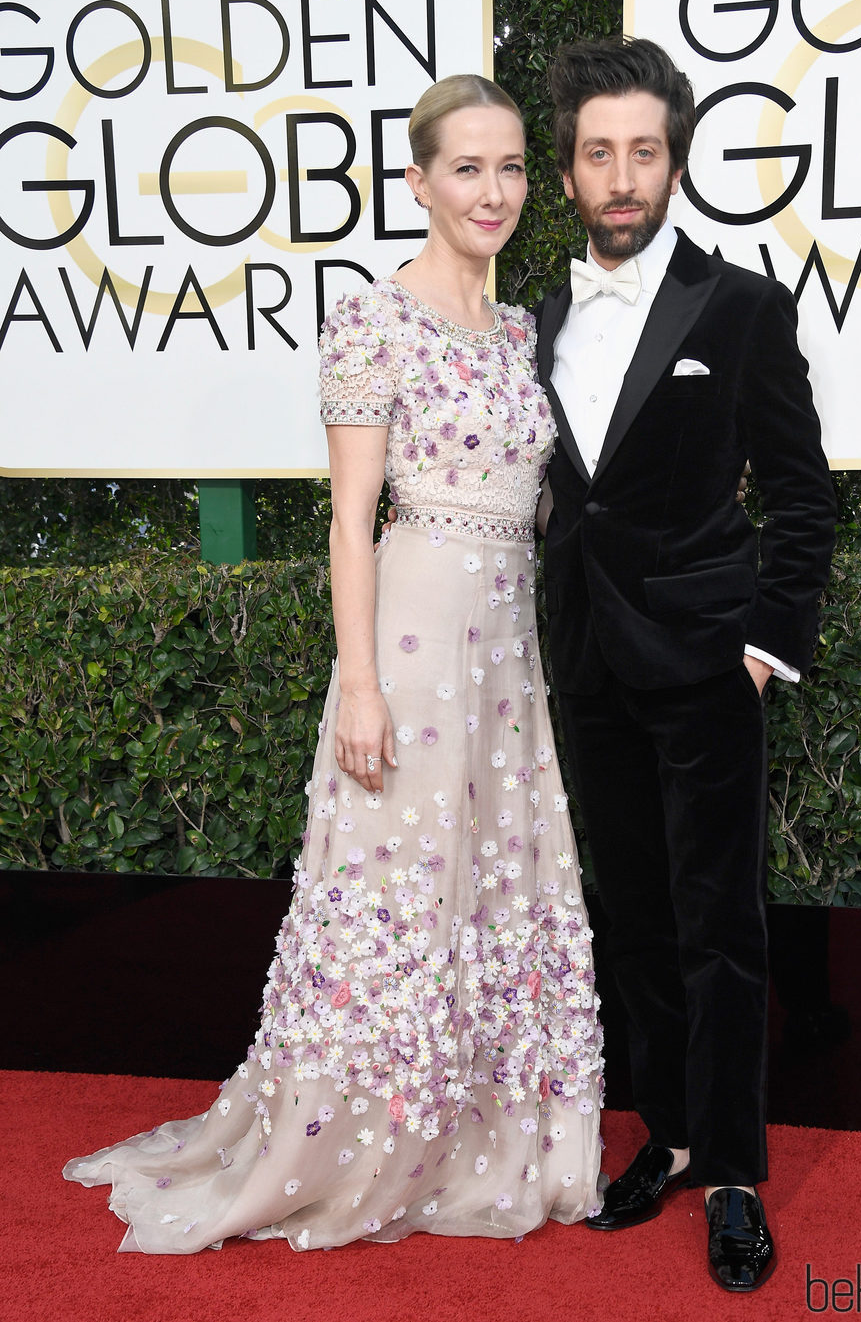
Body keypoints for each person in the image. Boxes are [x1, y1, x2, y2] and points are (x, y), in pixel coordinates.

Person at [63, 74, 603, 1253]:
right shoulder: (372, 317)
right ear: (416, 182)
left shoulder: (519, 330)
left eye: (511, 167)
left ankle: (480, 1122)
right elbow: (349, 513)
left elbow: (553, 502)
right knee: (396, 888)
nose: (493, 190)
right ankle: (355, 1134)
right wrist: (357, 683)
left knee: (493, 886)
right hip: (410, 637)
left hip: (509, 652)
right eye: (466, 168)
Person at [534, 38, 837, 1292]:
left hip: (709, 662)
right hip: (589, 665)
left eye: (641, 151)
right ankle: (660, 1134)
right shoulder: (532, 317)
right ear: (566, 175)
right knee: (638, 919)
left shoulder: (741, 307)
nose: (620, 176)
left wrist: (762, 648)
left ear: (674, 161)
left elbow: (804, 495)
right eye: (597, 153)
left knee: (719, 926)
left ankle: (731, 1174)